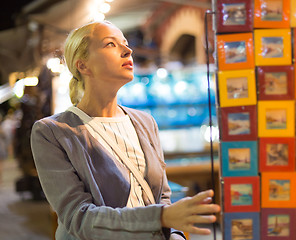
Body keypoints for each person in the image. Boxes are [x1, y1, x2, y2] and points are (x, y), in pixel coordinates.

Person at [30, 20, 220, 240]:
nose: (127, 50)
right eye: (110, 44)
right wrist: (160, 217)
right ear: (83, 65)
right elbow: (78, 219)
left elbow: (162, 198)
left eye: (125, 43)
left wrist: (176, 235)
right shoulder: (52, 132)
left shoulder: (145, 122)